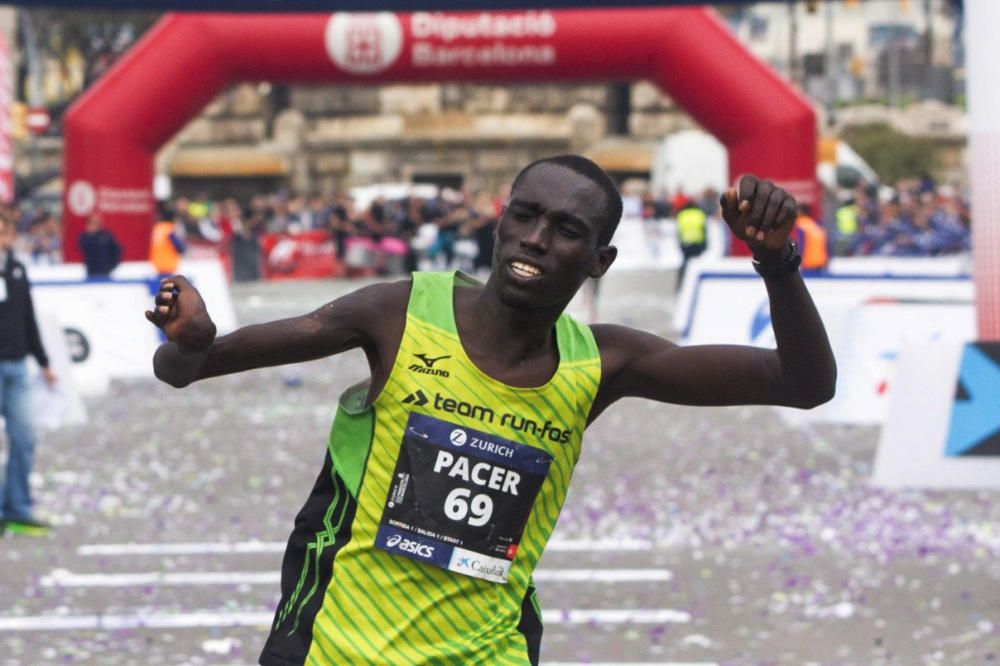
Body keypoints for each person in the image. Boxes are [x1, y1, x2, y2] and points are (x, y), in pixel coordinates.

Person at [146, 155, 836, 665]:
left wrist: (775, 263)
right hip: (334, 643)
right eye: (525, 215)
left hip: (489, 651)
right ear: (500, 222)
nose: (536, 239)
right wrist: (193, 342)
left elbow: (804, 382)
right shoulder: (397, 313)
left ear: (600, 260)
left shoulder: (600, 364)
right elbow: (186, 367)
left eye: (566, 230)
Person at [0, 215, 57, 537]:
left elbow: (28, 318)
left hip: (18, 365)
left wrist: (44, 361)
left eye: (6, 231)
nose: (4, 238)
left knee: (24, 438)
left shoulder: (18, 270)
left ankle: (18, 508)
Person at [78, 213, 123, 278]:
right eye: (92, 222)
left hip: (106, 272)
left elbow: (117, 250)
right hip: (91, 272)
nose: (94, 225)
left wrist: (112, 265)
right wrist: (90, 234)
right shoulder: (85, 236)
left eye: (96, 223)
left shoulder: (106, 235)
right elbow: (82, 246)